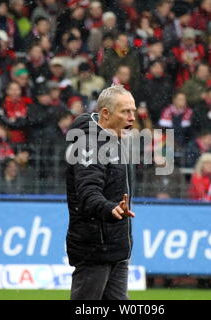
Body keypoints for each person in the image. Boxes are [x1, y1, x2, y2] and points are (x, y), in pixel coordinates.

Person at [66, 84, 136, 300]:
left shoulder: (115, 140)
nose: (132, 117)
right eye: (125, 111)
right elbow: (87, 193)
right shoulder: (89, 144)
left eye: (133, 111)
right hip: (95, 248)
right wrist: (109, 208)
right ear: (105, 113)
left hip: (116, 247)